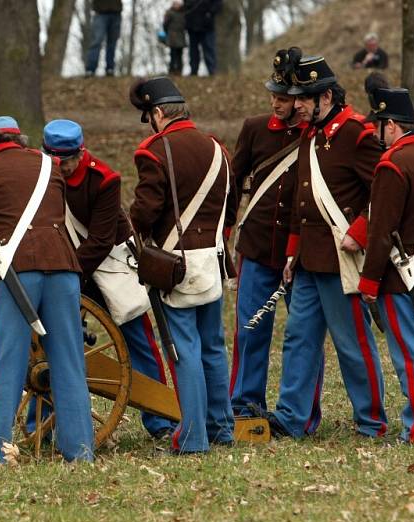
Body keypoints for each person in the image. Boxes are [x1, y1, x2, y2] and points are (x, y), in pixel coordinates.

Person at [252, 53, 388, 439]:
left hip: (340, 258)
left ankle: (372, 421)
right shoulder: (312, 135)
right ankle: (291, 417)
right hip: (310, 258)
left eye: (304, 98)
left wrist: (359, 232)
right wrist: (293, 250)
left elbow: (385, 194)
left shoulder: (357, 134)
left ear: (325, 97)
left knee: (352, 343)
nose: (296, 105)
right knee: (298, 338)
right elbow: (302, 198)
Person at [0, 116, 94, 464]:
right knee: (69, 362)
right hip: (63, 268)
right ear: (20, 139)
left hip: (14, 271)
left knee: (7, 364)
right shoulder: (52, 165)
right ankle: (80, 452)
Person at [42, 119, 178, 440]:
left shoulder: (103, 179)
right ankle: (50, 424)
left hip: (107, 264)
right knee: (51, 347)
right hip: (67, 267)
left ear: (81, 152)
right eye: (56, 161)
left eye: (68, 161)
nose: (62, 168)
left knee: (140, 342)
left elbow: (101, 240)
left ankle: (162, 421)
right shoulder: (39, 174)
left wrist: (67, 276)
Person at [129, 77, 235, 453]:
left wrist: (133, 228)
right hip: (213, 261)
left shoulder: (154, 151)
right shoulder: (217, 148)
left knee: (182, 350)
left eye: (149, 117)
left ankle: (192, 437)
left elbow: (145, 211)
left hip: (175, 265)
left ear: (158, 113)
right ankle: (221, 428)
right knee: (212, 347)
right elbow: (231, 206)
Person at [225, 48, 314, 418]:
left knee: (303, 336)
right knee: (250, 330)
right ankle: (245, 403)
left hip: (304, 250)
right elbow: (233, 180)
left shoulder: (315, 133)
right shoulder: (255, 128)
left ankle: (302, 409)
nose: (276, 103)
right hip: (259, 244)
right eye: (274, 96)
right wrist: (226, 232)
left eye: (284, 98)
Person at [359, 87, 414, 442]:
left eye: (379, 125)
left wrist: (369, 282)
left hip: (400, 276)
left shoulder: (392, 165)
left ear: (391, 125)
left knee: (411, 354)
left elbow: (380, 230)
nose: (376, 132)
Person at [85, 0, 122, 77]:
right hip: (100, 12)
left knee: (112, 42)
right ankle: (90, 69)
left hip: (116, 11)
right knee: (96, 41)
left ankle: (110, 69)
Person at [184, 0, 222, 76]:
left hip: (207, 26)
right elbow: (186, 5)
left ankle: (212, 71)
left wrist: (210, 13)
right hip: (192, 26)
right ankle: (193, 71)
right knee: (193, 50)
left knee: (209, 49)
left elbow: (218, 4)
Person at [163, 1, 187, 76]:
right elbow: (165, 25)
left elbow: (185, 25)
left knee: (180, 55)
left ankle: (179, 71)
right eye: (175, 4)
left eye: (178, 4)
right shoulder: (169, 13)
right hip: (172, 37)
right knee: (173, 55)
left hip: (181, 37)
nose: (176, 6)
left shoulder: (183, 13)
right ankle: (172, 70)